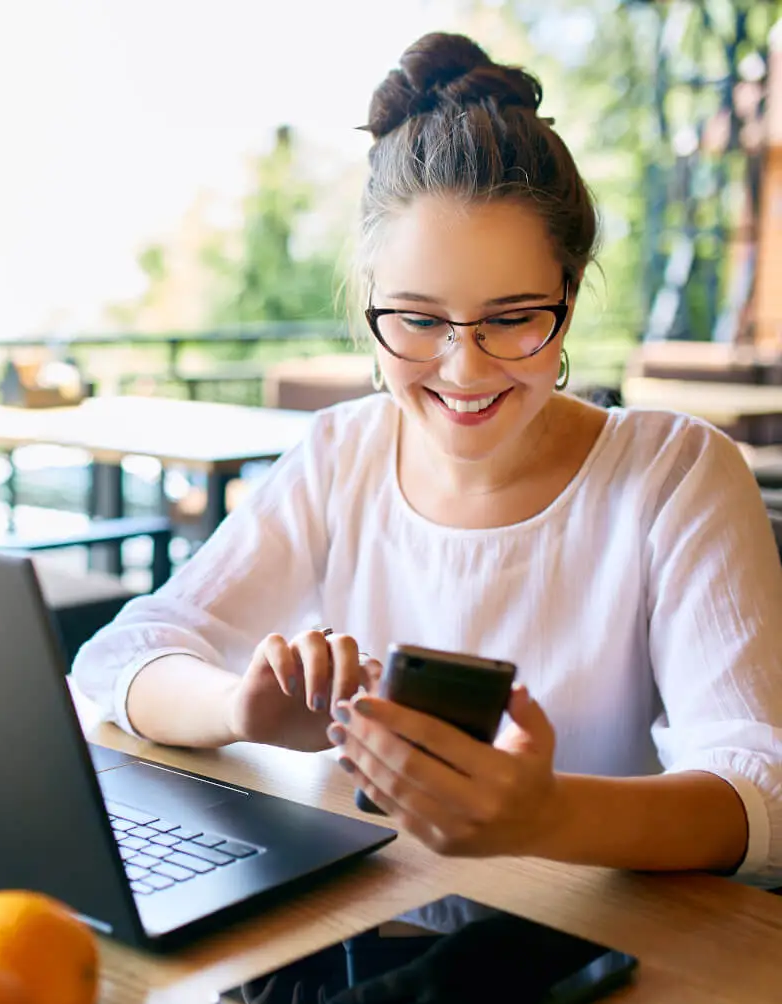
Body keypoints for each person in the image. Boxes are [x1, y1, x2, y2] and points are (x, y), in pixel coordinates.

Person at [72, 31, 782, 886]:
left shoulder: (676, 474)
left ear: (568, 297)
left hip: (592, 941)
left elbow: (762, 792)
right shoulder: (342, 452)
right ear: (369, 302)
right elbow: (119, 656)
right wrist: (238, 709)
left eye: (512, 318)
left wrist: (550, 815)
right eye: (417, 320)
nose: (465, 368)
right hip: (370, 915)